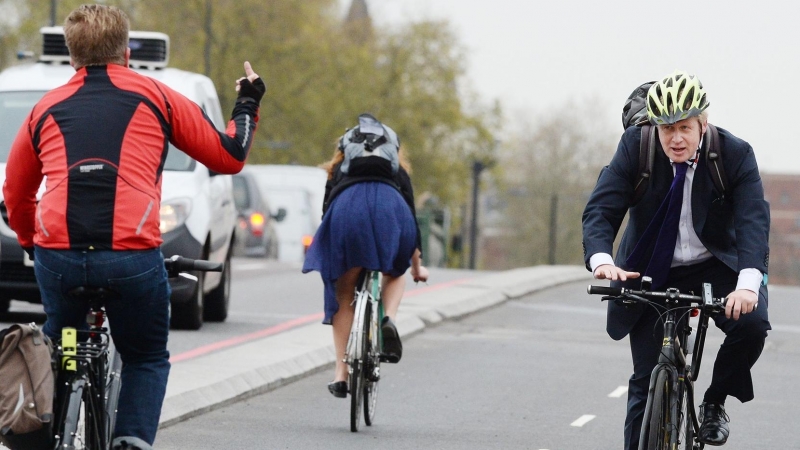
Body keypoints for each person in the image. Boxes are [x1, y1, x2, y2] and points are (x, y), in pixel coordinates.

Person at [2, 5, 265, 450]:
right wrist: (247, 101)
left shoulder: (44, 108)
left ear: (72, 57)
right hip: (131, 258)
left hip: (59, 257)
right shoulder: (158, 97)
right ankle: (131, 441)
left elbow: (16, 193)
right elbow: (229, 156)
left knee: (53, 346)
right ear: (126, 51)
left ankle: (44, 425)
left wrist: (33, 244)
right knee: (145, 357)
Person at [582, 70, 771, 449]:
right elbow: (601, 210)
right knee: (644, 378)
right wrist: (602, 259)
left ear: (702, 122)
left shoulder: (734, 154)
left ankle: (715, 401)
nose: (676, 138)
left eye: (684, 127)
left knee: (752, 326)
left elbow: (753, 222)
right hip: (650, 265)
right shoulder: (636, 147)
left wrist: (748, 286)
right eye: (667, 129)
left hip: (714, 263)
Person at [302, 113, 429, 398]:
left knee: (343, 291)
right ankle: (390, 320)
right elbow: (410, 218)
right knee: (395, 273)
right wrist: (417, 266)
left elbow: (327, 210)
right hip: (390, 208)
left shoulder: (339, 168)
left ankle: (341, 374)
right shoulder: (398, 172)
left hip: (347, 209)